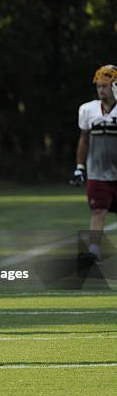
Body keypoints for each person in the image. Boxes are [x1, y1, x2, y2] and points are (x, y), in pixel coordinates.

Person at [71, 64, 117, 263]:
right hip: (97, 173)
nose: (101, 90)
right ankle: (93, 250)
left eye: (105, 86)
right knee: (98, 211)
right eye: (99, 86)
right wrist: (79, 167)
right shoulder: (88, 109)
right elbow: (84, 139)